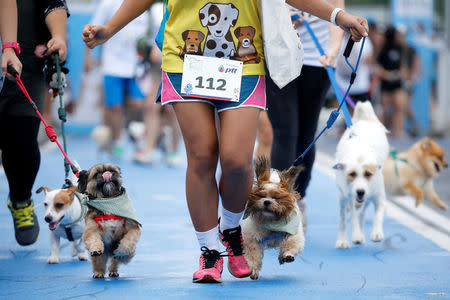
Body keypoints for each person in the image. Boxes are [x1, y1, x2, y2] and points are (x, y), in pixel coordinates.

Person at [82, 0, 367, 283]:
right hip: (184, 57)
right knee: (202, 157)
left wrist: (337, 15)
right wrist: (110, 28)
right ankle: (209, 252)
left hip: (244, 59)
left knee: (235, 160)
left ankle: (231, 230)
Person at [266, 0, 346, 229]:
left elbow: (337, 11)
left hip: (317, 59)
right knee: (284, 132)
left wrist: (334, 48)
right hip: (279, 58)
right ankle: (279, 207)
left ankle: (299, 199)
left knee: (306, 135)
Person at [0, 0, 69, 246]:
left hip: (26, 62)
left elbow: (54, 5)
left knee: (21, 141)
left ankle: (20, 199)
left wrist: (59, 37)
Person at [84, 0, 149, 158]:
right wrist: (87, 58)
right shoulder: (107, 4)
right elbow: (90, 30)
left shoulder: (145, 6)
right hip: (112, 65)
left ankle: (138, 138)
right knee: (114, 107)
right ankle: (117, 141)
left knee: (138, 104)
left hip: (137, 66)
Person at [134, 1, 182, 166]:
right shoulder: (154, 9)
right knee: (151, 106)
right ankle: (149, 149)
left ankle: (174, 151)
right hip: (158, 65)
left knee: (172, 109)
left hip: (178, 61)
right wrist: (155, 48)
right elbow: (151, 36)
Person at [376, 26, 409, 138]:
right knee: (384, 109)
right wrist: (386, 74)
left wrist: (401, 73)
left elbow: (404, 65)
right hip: (386, 84)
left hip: (397, 83)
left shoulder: (401, 48)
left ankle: (397, 130)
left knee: (399, 107)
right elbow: (377, 66)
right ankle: (383, 132)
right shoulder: (383, 49)